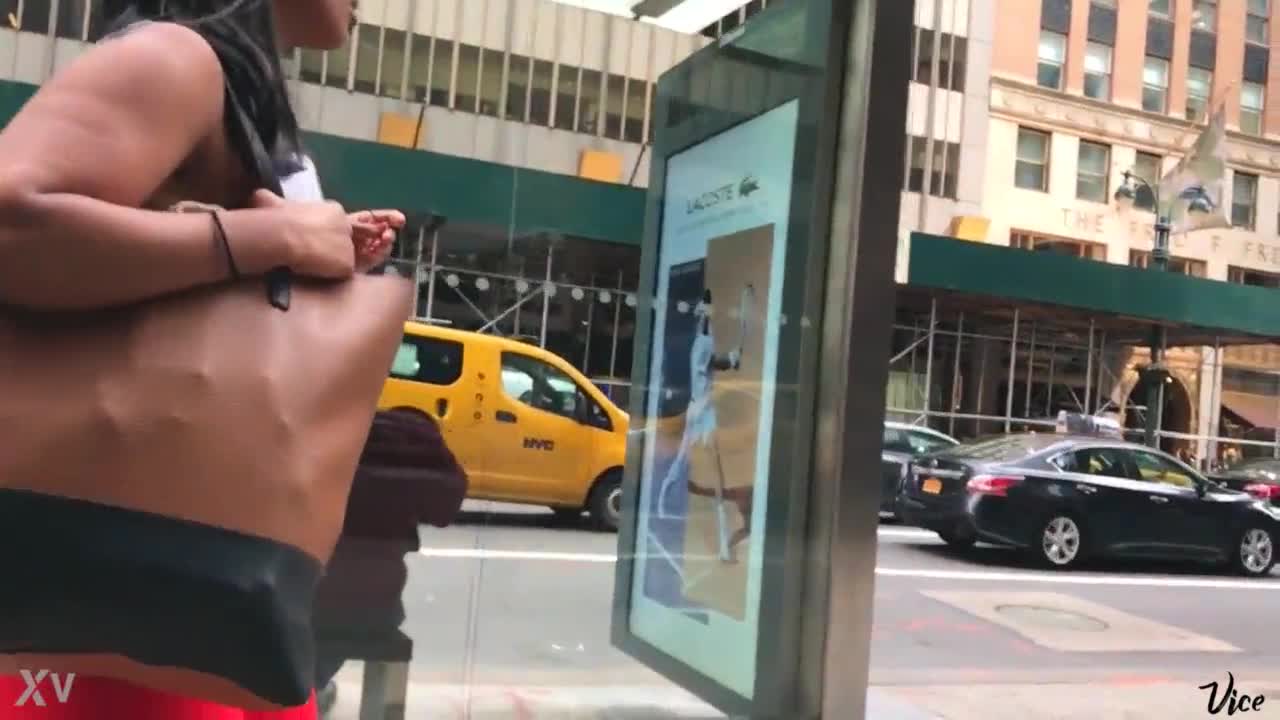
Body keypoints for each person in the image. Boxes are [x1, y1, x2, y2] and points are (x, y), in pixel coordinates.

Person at [0, 0, 398, 714]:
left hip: (180, 612)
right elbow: (10, 220)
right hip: (119, 636)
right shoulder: (177, 57)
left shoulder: (231, 89)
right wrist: (271, 240)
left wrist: (309, 247)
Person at [311, 408, 468, 718]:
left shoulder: (338, 431)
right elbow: (445, 511)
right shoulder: (421, 448)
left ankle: (310, 685)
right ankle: (312, 685)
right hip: (376, 598)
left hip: (312, 588)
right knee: (364, 616)